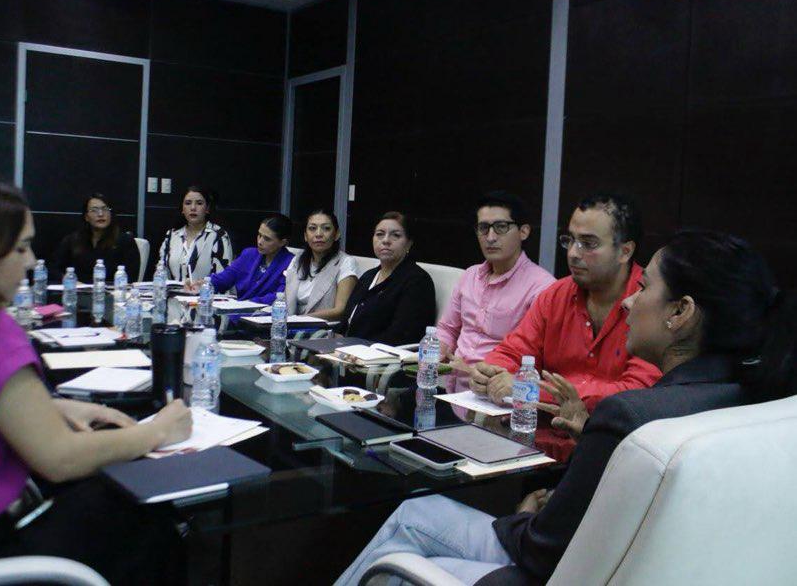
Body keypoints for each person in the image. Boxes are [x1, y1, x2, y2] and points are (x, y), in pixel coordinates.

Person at [336, 230, 797, 585]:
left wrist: (529, 514)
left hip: (545, 571)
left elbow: (541, 550)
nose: (631, 301)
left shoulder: (630, 418)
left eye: (645, 288)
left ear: (680, 313)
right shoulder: (757, 400)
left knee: (404, 532)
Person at [0, 170, 193, 583]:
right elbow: (59, 459)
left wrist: (50, 407)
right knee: (144, 509)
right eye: (20, 247)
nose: (31, 262)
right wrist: (157, 431)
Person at [471, 193, 661, 412]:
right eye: (570, 240)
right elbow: (512, 352)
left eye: (588, 244)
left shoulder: (651, 303)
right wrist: (489, 373)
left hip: (612, 430)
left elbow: (637, 392)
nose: (572, 253)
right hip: (542, 426)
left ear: (624, 252)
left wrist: (531, 389)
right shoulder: (556, 295)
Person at [437, 191, 555, 364]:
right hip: (452, 376)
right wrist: (435, 356)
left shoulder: (542, 288)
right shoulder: (470, 276)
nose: (490, 238)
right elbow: (447, 329)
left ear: (523, 232)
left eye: (501, 227)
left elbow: (534, 354)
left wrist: (482, 372)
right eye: (483, 228)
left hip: (498, 378)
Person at [340, 211, 436, 346]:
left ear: (409, 243)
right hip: (345, 349)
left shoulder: (417, 281)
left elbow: (402, 336)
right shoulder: (368, 276)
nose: (385, 240)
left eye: (395, 235)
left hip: (377, 354)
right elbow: (346, 321)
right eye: (380, 234)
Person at [192, 213, 294, 304]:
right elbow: (226, 277)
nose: (260, 242)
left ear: (282, 242)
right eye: (259, 235)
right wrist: (203, 284)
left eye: (267, 239)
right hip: (238, 312)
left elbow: (281, 295)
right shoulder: (249, 254)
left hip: (267, 315)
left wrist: (249, 303)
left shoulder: (291, 263)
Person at [284, 209, 358, 320]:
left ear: (337, 234)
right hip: (291, 324)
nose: (318, 234)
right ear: (305, 236)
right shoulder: (298, 260)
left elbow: (341, 310)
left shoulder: (346, 262)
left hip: (325, 328)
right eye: (312, 228)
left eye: (326, 228)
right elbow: (286, 300)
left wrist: (299, 319)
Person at [50, 193, 140, 282]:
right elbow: (54, 269)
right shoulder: (73, 240)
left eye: (105, 209)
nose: (100, 214)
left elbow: (132, 277)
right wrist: (69, 280)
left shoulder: (125, 241)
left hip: (112, 290)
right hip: (78, 289)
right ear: (86, 217)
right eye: (94, 210)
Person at [158, 185, 233, 282]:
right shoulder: (172, 235)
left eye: (199, 203)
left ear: (207, 208)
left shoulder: (218, 236)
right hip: (174, 291)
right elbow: (161, 273)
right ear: (182, 209)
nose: (193, 208)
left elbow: (224, 278)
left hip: (206, 291)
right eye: (188, 203)